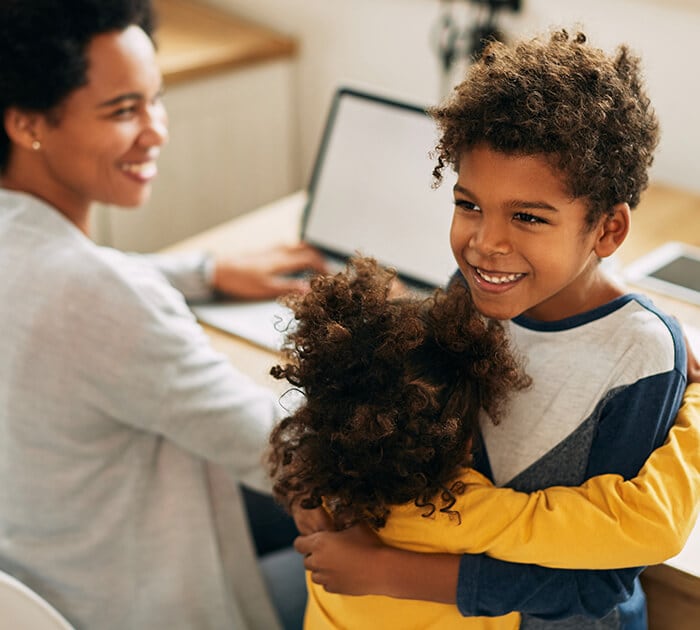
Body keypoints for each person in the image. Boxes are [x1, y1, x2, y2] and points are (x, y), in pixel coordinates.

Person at [293, 30, 700, 629]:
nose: (485, 243)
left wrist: (386, 573)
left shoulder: (640, 355)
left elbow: (601, 582)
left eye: (529, 217)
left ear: (608, 231)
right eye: (469, 204)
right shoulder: (472, 294)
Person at [0, 1, 323, 628]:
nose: (156, 130)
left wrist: (204, 271)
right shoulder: (104, 298)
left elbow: (68, 276)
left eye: (156, 98)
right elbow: (293, 452)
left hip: (32, 587)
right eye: (124, 110)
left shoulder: (43, 257)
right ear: (28, 123)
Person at [270, 256, 699, 629]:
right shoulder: (464, 512)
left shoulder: (317, 481)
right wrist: (696, 402)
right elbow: (649, 524)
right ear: (466, 441)